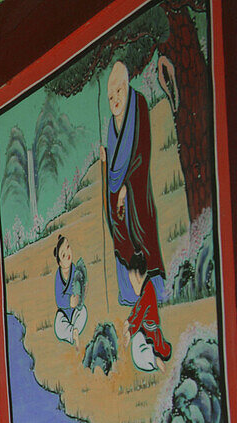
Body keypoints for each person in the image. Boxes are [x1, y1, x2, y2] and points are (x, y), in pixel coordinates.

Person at [100, 61, 166, 306]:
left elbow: (142, 151)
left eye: (118, 91)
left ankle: (154, 291)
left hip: (136, 191)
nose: (115, 99)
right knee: (121, 238)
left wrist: (127, 186)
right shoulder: (111, 125)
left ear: (127, 87)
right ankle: (129, 293)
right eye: (110, 96)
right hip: (117, 196)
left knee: (142, 233)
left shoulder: (138, 107)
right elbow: (113, 169)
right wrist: (106, 164)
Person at [123, 251, 171, 372]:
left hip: (150, 330)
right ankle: (155, 359)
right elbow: (137, 308)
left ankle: (156, 361)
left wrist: (130, 331)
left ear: (138, 277)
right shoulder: (146, 288)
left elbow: (140, 314)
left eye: (133, 284)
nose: (133, 289)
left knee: (145, 349)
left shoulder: (148, 292)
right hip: (146, 328)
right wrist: (129, 320)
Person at [51, 234, 88, 347]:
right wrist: (69, 301)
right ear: (60, 263)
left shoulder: (75, 269)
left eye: (68, 247)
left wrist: (83, 292)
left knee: (83, 313)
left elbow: (80, 284)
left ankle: (74, 330)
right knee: (59, 325)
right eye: (63, 255)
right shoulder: (59, 276)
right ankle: (71, 332)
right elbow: (59, 299)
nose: (68, 254)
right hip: (64, 312)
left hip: (76, 310)